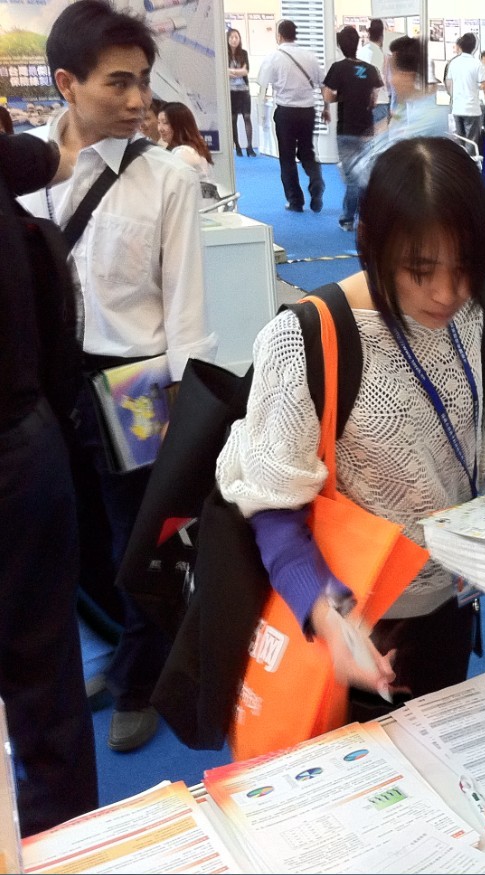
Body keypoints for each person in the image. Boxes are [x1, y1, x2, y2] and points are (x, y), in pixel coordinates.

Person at [216, 137, 485, 711]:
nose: (446, 293)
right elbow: (272, 506)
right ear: (372, 244)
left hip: (452, 596)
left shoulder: (482, 313)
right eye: (419, 270)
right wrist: (329, 618)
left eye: (465, 267)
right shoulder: (306, 340)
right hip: (356, 620)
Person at [18, 0, 216, 753]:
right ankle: (97, 655)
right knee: (61, 535)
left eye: (143, 82)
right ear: (67, 83)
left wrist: (186, 418)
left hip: (134, 382)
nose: (138, 101)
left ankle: (140, 679)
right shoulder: (24, 169)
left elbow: (188, 310)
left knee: (144, 541)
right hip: (42, 383)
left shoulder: (166, 178)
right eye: (118, 83)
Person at [0, 131, 99, 835]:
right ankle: (67, 836)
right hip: (28, 439)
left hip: (22, 440)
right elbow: (47, 159)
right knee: (44, 673)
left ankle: (66, 836)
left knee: (43, 668)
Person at [347, 36, 450, 202]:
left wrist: (359, 159)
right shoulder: (407, 105)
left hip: (414, 202)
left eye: (392, 72)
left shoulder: (428, 115)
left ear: (407, 76)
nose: (389, 80)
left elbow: (387, 161)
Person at [257, 18, 325, 213]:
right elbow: (322, 84)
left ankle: (295, 200)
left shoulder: (273, 57)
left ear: (279, 36)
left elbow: (263, 87)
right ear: (295, 35)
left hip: (285, 112)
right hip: (307, 111)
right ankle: (316, 179)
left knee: (287, 157)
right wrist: (326, 108)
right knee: (307, 151)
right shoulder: (310, 57)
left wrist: (262, 116)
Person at [322, 25, 382, 232]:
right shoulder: (371, 69)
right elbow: (374, 100)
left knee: (352, 178)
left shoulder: (338, 68)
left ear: (340, 45)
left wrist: (340, 99)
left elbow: (328, 95)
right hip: (367, 129)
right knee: (365, 176)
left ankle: (348, 219)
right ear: (358, 43)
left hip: (346, 129)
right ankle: (366, 218)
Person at [158, 100, 219, 204]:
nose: (160, 128)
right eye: (158, 123)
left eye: (165, 123)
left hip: (199, 209)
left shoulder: (183, 153)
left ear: (179, 125)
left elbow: (168, 187)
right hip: (204, 206)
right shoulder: (192, 148)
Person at [445, 33, 485, 148]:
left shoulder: (453, 63)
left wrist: (453, 96)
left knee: (460, 142)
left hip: (457, 107)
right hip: (472, 109)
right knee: (471, 143)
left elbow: (448, 83)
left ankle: (461, 159)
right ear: (474, 47)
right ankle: (469, 159)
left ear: (461, 46)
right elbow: (483, 85)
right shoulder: (477, 64)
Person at [357, 18, 390, 134]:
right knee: (380, 140)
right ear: (382, 35)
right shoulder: (379, 54)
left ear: (369, 33)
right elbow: (378, 79)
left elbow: (359, 77)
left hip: (362, 103)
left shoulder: (360, 52)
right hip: (378, 102)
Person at [226, 28, 255, 157]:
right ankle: (237, 146)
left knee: (247, 117)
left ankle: (249, 147)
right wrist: (237, 71)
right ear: (227, 39)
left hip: (243, 90)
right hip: (230, 91)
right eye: (231, 37)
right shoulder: (224, 54)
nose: (234, 40)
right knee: (233, 119)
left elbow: (246, 71)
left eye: (236, 37)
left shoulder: (243, 53)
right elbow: (223, 71)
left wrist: (231, 71)